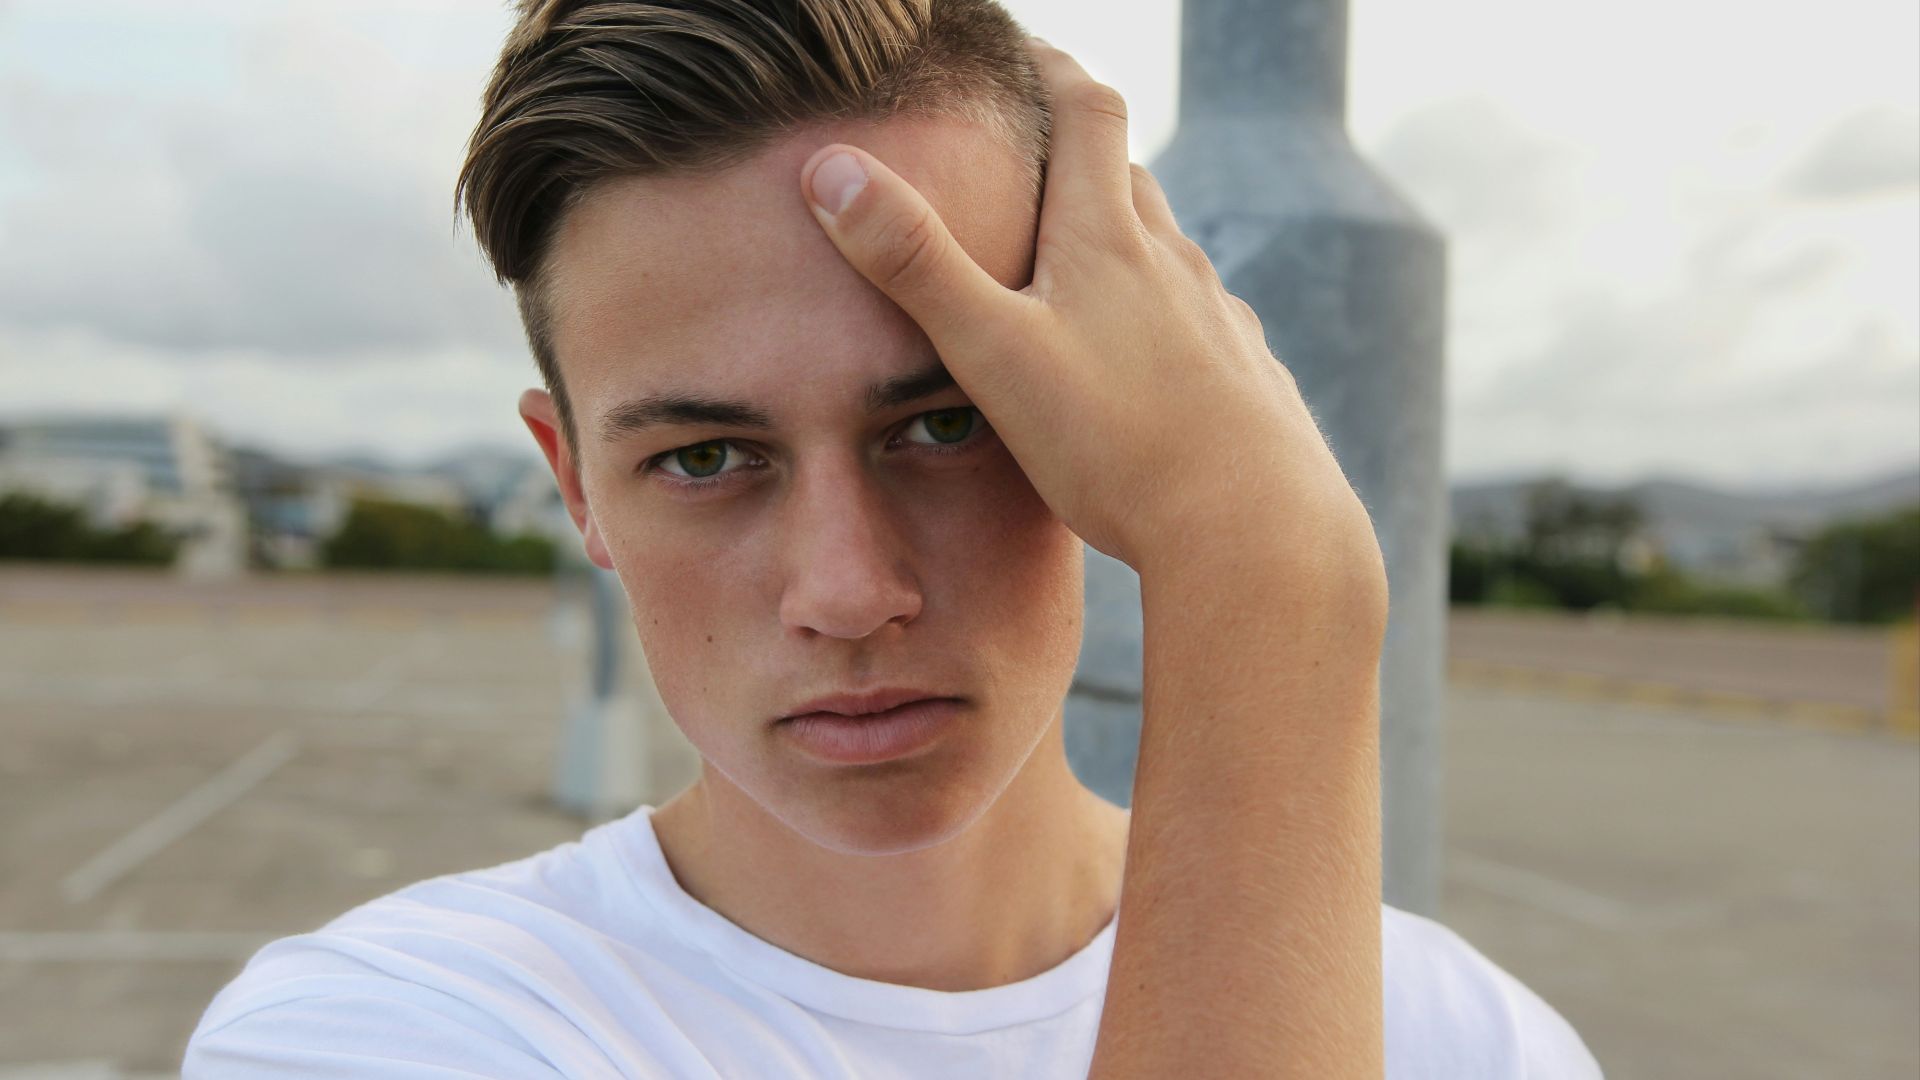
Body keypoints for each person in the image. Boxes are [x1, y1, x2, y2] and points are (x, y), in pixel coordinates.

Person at [185, 1, 1602, 1076]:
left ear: (1104, 404)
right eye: (705, 458)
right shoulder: (396, 1030)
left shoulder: (1467, 1042)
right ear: (575, 488)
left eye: (946, 425)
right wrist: (1272, 576)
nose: (849, 593)